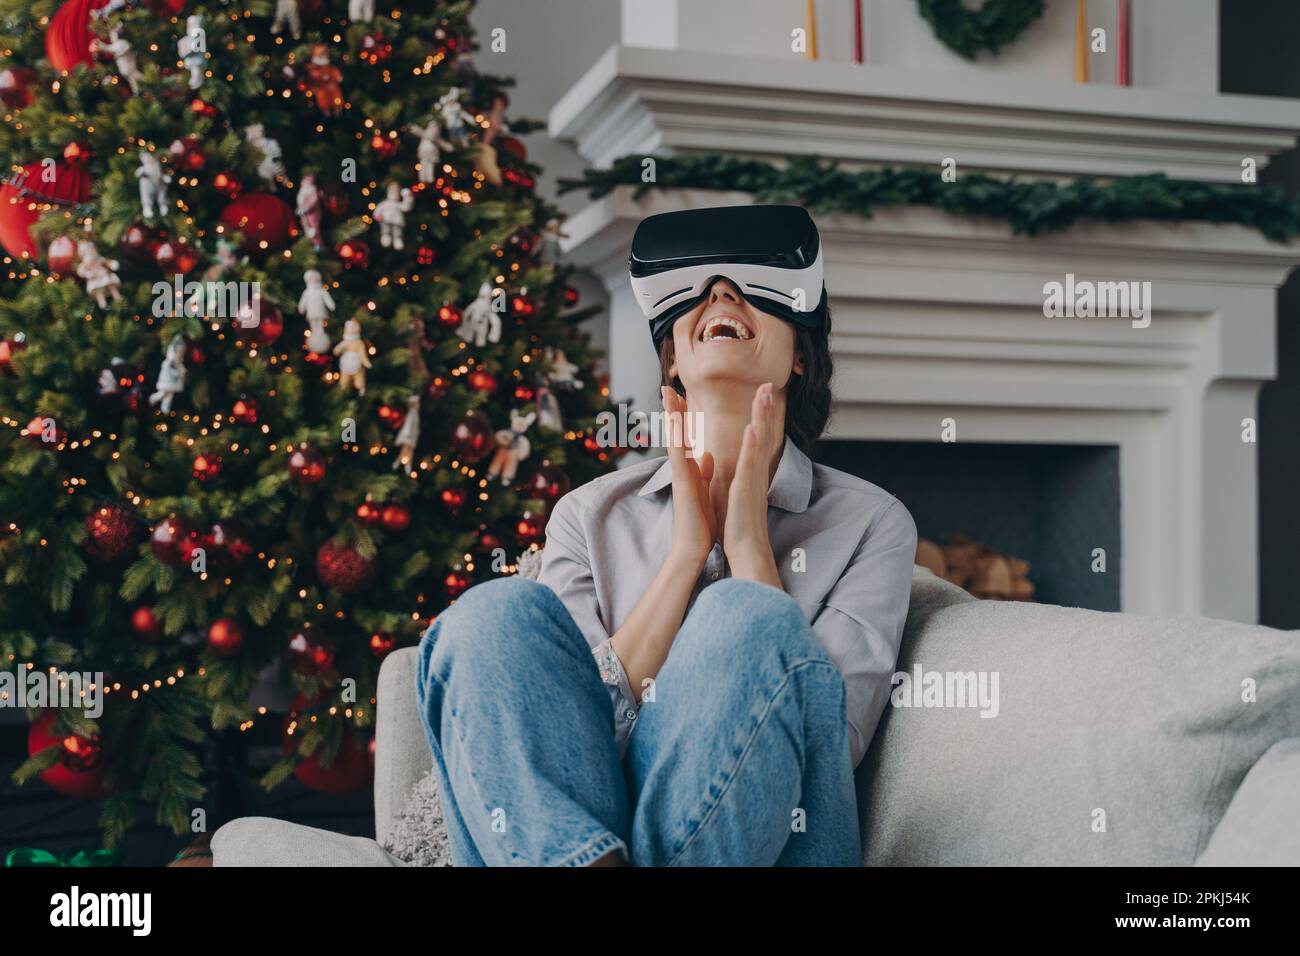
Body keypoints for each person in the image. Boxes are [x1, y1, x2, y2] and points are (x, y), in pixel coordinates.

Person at [417, 205, 916, 866]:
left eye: (744, 285)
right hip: (590, 836)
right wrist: (685, 555)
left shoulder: (871, 523)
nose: (721, 293)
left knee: (746, 615)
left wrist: (747, 547)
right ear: (670, 359)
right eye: (701, 289)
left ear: (800, 356)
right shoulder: (587, 515)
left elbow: (833, 739)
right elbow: (565, 742)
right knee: (490, 614)